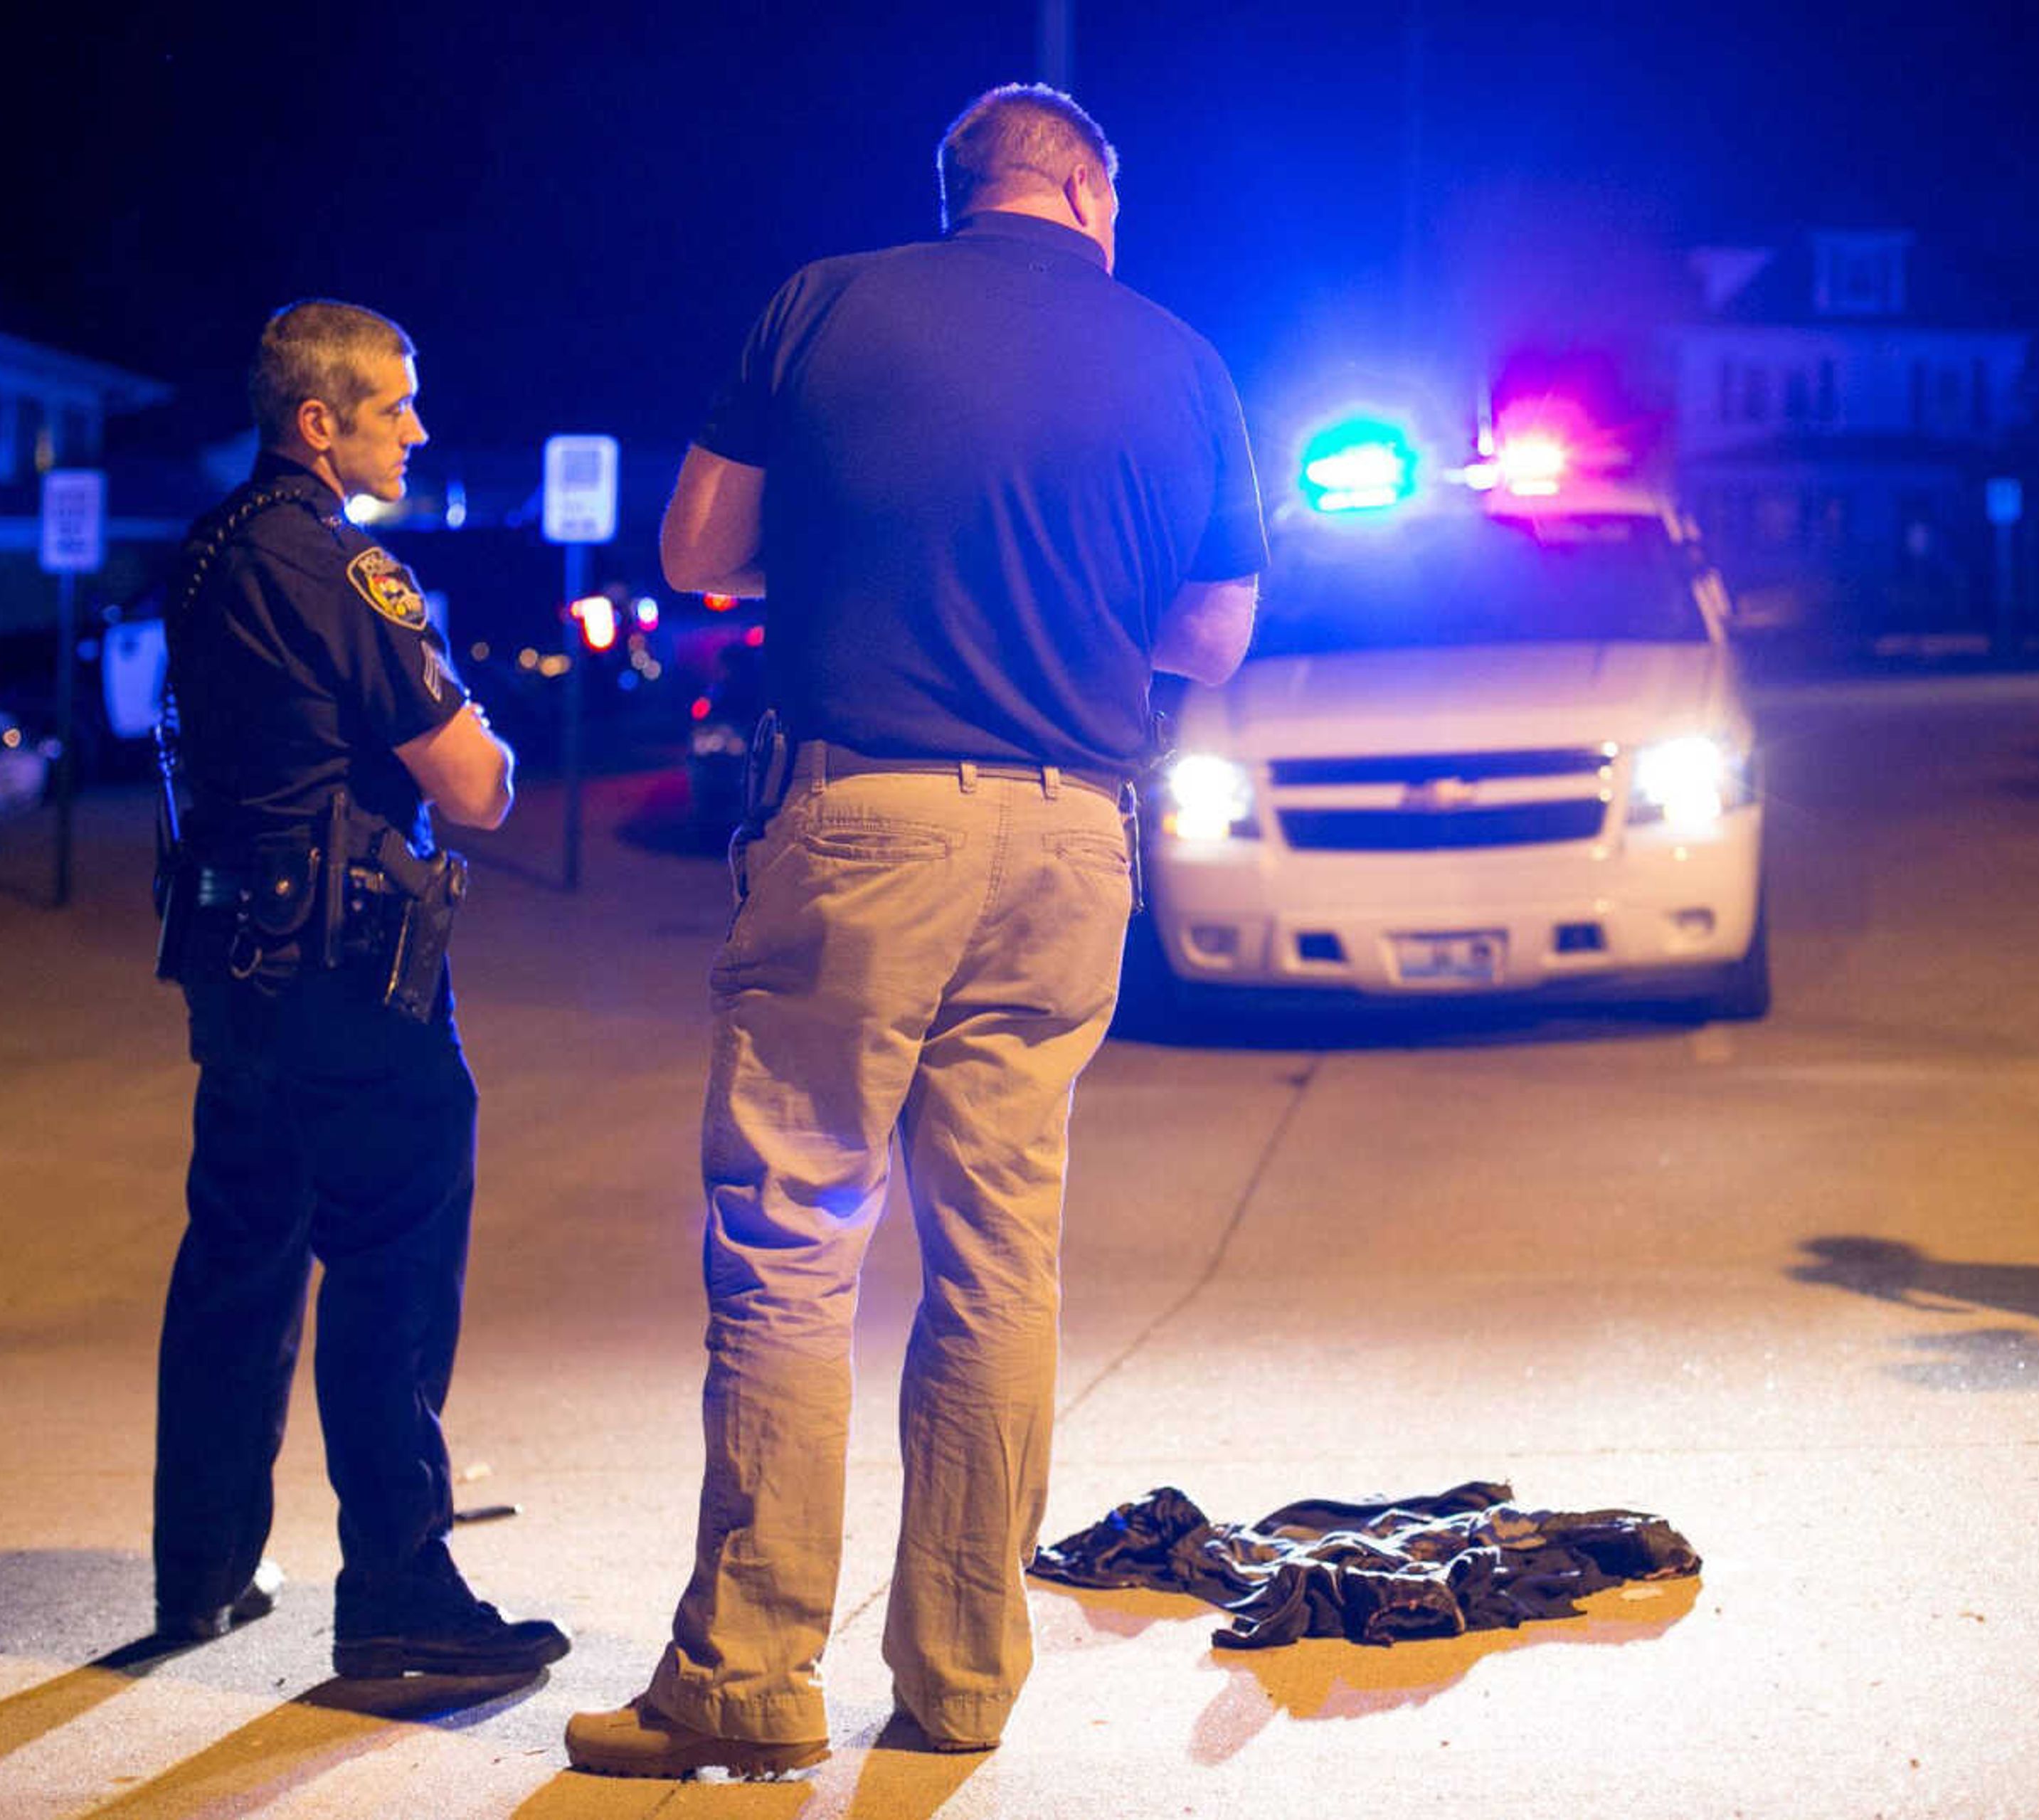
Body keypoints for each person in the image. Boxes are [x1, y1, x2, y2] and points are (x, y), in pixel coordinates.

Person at [565, 85, 1263, 1777]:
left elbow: (697, 552)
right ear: (1091, 194)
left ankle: (745, 1676)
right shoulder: (1181, 359)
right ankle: (957, 1680)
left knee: (796, 1236)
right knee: (998, 1256)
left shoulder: (824, 302)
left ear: (957, 192)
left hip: (863, 816)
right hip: (1075, 835)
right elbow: (1215, 638)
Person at [150, 298, 570, 1680]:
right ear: (319, 422)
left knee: (242, 1250)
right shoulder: (343, 566)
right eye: (397, 404)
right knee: (391, 1255)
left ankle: (204, 1565)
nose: (419, 425)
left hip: (236, 960)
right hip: (353, 970)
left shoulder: (207, 551)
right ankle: (399, 1586)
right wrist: (488, 741)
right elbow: (477, 786)